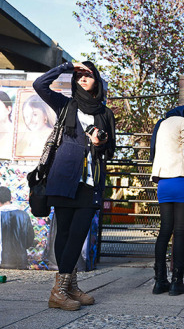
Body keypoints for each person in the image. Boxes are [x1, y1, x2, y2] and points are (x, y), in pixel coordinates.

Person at [33, 61, 116, 311]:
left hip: (90, 182)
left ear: (97, 81)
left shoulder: (105, 114)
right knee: (65, 234)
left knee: (78, 234)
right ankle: (64, 289)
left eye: (88, 75)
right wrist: (67, 66)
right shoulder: (65, 105)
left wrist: (99, 143)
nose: (82, 78)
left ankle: (64, 288)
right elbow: (40, 84)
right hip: (63, 180)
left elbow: (110, 150)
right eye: (79, 75)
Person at [149, 105, 184, 296]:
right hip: (181, 180)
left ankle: (159, 281)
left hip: (163, 182)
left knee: (164, 231)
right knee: (179, 232)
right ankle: (176, 282)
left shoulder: (161, 124)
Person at [0, 186, 35, 269]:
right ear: (10, 198)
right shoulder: (24, 215)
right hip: (20, 261)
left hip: (2, 261)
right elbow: (30, 238)